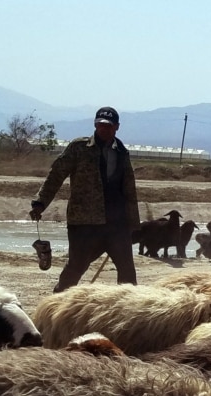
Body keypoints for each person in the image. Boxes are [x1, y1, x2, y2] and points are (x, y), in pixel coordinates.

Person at [29, 106, 140, 292]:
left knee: (128, 272)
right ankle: (56, 304)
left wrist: (133, 224)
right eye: (100, 125)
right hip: (84, 223)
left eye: (108, 126)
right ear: (95, 125)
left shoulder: (122, 151)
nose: (104, 129)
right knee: (76, 267)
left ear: (117, 127)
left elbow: (129, 190)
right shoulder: (79, 148)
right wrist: (40, 202)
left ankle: (126, 312)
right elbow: (56, 175)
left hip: (116, 224)